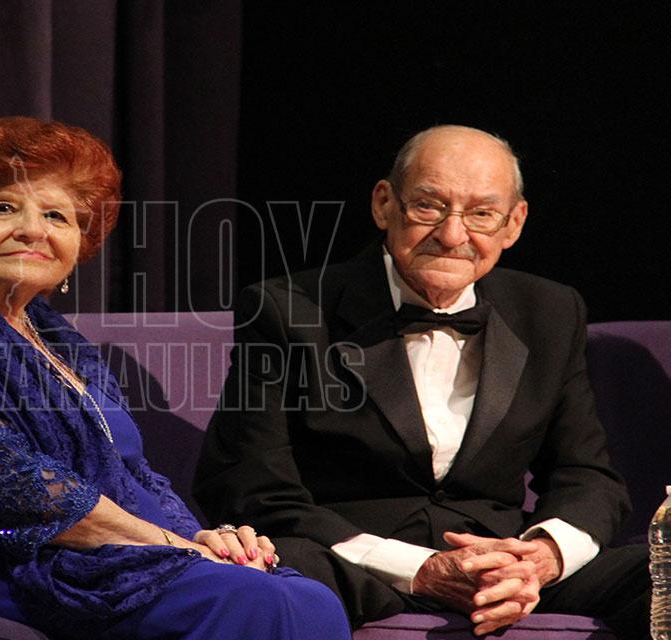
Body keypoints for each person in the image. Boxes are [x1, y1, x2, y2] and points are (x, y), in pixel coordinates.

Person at [0, 116, 351, 640]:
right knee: (249, 602)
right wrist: (182, 551)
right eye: (4, 207)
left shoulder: (56, 339)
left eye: (57, 217)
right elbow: (18, 491)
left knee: (306, 596)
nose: (32, 230)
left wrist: (208, 540)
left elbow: (130, 471)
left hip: (52, 549)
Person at [194, 125, 649, 638]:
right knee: (271, 572)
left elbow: (587, 476)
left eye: (481, 214)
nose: (453, 236)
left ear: (514, 223)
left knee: (661, 574)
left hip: (504, 559)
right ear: (384, 204)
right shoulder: (286, 309)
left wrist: (539, 558)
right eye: (429, 207)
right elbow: (248, 485)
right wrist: (419, 568)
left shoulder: (550, 311)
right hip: (357, 563)